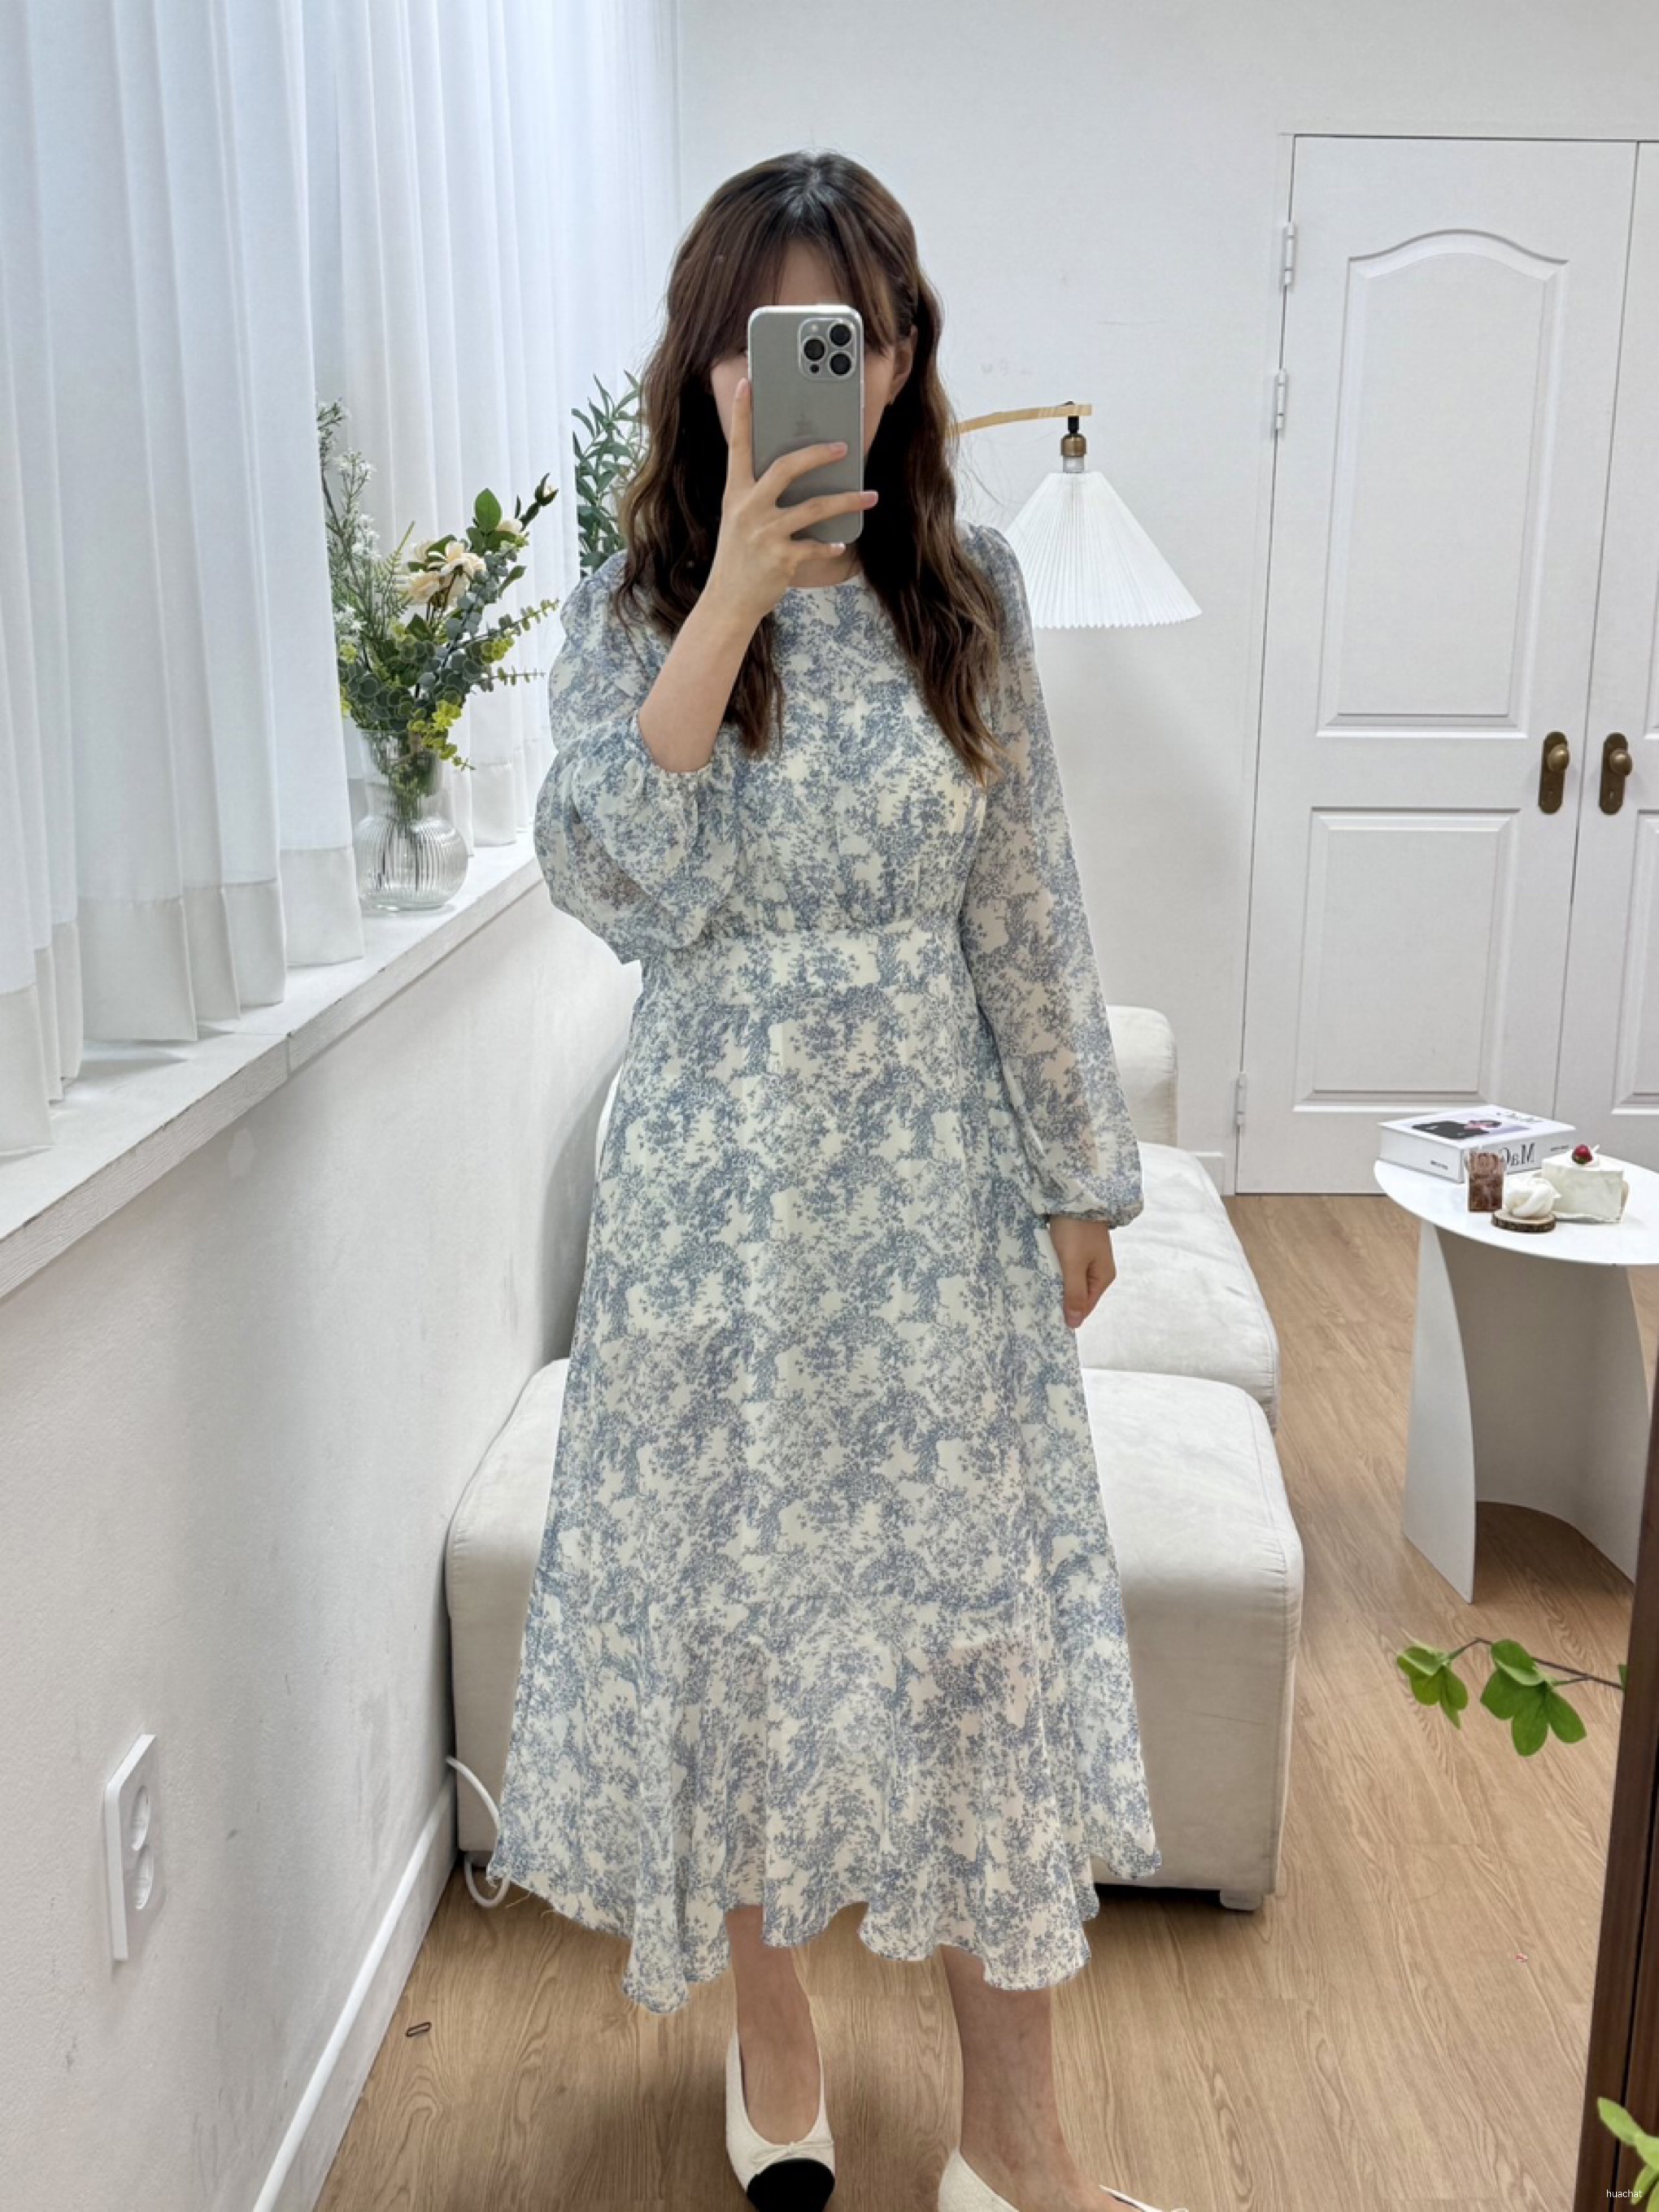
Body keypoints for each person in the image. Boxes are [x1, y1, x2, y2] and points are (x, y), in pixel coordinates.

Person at [486, 150, 1171, 2212]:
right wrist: (727, 600)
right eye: (771, 341)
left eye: (849, 339)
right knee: (741, 1631)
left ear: (896, 361)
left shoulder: (974, 594)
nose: (817, 375)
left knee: (979, 1646)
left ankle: (1015, 2146)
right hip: (720, 1209)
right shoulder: (634, 611)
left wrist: (1081, 1176)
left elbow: (1027, 897)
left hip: (935, 1198)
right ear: (708, 369)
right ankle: (771, 2040)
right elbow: (610, 872)